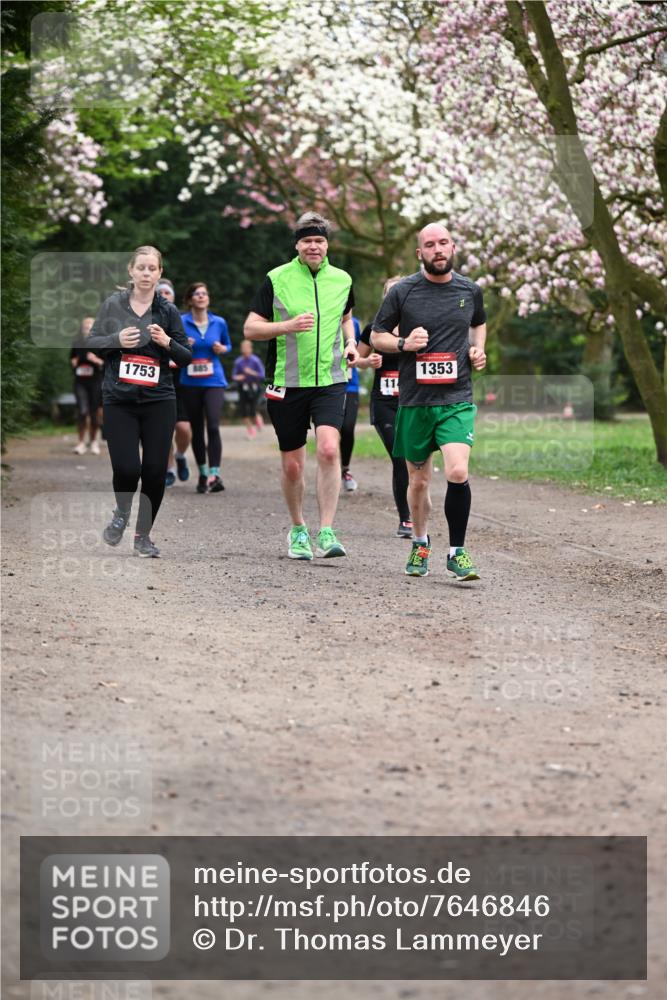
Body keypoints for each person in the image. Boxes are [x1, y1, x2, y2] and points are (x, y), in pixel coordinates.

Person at [371, 222, 487, 580]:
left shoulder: (470, 289)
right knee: (419, 482)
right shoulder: (403, 292)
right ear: (420, 253)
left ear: (453, 247)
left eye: (444, 242)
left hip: (456, 398)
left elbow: (479, 322)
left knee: (457, 472)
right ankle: (420, 543)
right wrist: (404, 343)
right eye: (430, 244)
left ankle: (457, 553)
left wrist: (478, 349)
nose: (438, 249)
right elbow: (376, 336)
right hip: (416, 401)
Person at [244, 211, 358, 560]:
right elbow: (250, 328)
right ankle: (297, 529)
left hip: (330, 380)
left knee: (329, 449)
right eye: (307, 240)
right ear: (297, 245)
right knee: (293, 465)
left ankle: (327, 531)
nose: (313, 246)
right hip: (287, 382)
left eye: (319, 240)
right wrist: (287, 326)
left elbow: (346, 317)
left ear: (327, 245)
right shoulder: (277, 279)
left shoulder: (342, 279)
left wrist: (351, 342)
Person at [86, 245, 192, 557]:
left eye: (152, 268)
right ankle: (121, 513)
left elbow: (185, 357)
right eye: (141, 268)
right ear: (131, 271)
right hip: (119, 400)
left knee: (156, 471)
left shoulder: (167, 311)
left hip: (159, 400)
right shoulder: (113, 304)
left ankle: (142, 536)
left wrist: (167, 342)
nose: (146, 273)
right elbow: (91, 342)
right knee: (127, 468)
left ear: (160, 273)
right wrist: (115, 340)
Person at [358, 277, 413, 538]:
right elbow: (355, 360)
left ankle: (417, 509)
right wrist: (368, 362)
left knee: (415, 461)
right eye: (391, 293)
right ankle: (406, 519)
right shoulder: (373, 330)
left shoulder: (417, 329)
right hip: (384, 403)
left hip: (412, 402)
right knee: (399, 456)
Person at [179, 282, 231, 494]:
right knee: (197, 428)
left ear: (208, 299)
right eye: (196, 294)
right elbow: (171, 346)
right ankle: (202, 472)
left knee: (213, 425)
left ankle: (214, 474)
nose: (201, 296)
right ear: (190, 299)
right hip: (190, 381)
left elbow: (228, 345)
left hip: (213, 380)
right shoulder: (181, 322)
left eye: (204, 293)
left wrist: (222, 348)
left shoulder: (219, 322)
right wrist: (183, 345)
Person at [157, 279, 192, 487]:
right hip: (159, 381)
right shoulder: (149, 319)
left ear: (173, 297)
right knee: (163, 430)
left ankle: (180, 455)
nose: (164, 296)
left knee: (184, 428)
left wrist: (187, 346)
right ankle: (169, 467)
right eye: (160, 292)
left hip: (182, 382)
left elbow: (191, 352)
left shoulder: (183, 319)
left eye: (167, 293)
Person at [70, 316, 104, 455]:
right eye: (85, 327)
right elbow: (71, 359)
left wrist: (97, 360)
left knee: (94, 413)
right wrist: (73, 362)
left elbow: (106, 364)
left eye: (90, 327)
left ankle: (94, 441)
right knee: (82, 411)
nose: (87, 330)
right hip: (80, 382)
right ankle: (81, 443)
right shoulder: (77, 343)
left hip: (95, 381)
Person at [340, 315, 362, 492]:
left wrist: (365, 361)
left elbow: (360, 353)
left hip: (350, 385)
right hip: (324, 385)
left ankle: (345, 469)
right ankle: (330, 471)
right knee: (330, 433)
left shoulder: (353, 323)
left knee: (347, 428)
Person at [232, 339, 265, 438]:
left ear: (251, 349)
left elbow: (262, 375)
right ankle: (251, 431)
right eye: (243, 348)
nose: (245, 350)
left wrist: (251, 372)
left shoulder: (256, 360)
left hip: (255, 387)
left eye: (246, 347)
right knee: (244, 411)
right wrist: (238, 377)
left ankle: (258, 419)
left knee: (253, 409)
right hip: (243, 387)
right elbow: (234, 376)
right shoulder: (238, 361)